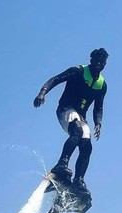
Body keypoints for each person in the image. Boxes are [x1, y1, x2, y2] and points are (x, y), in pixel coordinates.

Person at [33, 48, 108, 195]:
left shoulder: (102, 85)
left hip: (81, 116)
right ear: (91, 60)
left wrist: (98, 122)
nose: (100, 64)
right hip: (65, 109)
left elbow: (98, 107)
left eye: (103, 62)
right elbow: (55, 79)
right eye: (98, 61)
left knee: (87, 144)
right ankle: (62, 164)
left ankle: (78, 181)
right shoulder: (78, 71)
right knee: (78, 131)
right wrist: (42, 93)